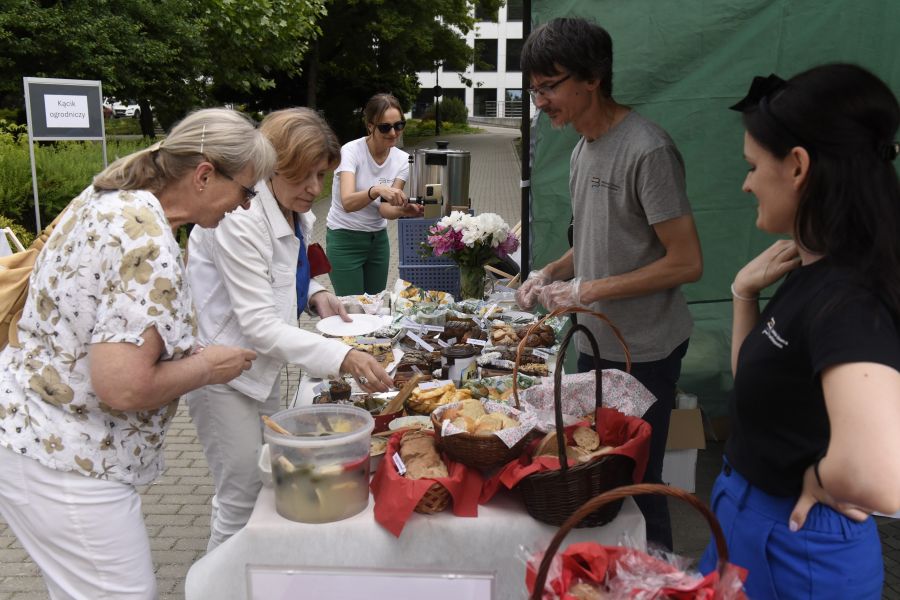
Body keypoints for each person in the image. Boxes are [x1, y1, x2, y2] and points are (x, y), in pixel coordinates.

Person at [0, 108, 273, 599]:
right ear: (205, 175)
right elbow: (123, 386)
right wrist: (209, 366)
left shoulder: (111, 198)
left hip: (33, 435)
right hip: (64, 455)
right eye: (247, 192)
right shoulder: (147, 240)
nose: (247, 207)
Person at [698, 64, 900, 598]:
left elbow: (882, 476)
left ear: (798, 167)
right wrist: (744, 296)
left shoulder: (849, 296)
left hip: (795, 547)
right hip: (745, 522)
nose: (745, 183)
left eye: (752, 165)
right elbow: (757, 388)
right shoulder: (818, 269)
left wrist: (828, 477)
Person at [516, 17, 703, 550]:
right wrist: (554, 271)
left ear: (592, 77)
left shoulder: (647, 150)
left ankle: (659, 568)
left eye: (549, 86)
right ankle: (605, 566)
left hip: (644, 347)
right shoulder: (580, 149)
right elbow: (604, 240)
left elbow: (687, 262)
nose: (541, 102)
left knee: (638, 476)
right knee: (594, 465)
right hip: (595, 338)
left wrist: (588, 291)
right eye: (534, 90)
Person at [185, 107, 395, 552]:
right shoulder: (239, 217)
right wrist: (344, 357)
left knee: (267, 484)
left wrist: (316, 291)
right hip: (223, 376)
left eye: (322, 176)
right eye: (305, 177)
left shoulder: (287, 206)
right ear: (271, 167)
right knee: (239, 499)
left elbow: (283, 267)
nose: (316, 189)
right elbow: (259, 324)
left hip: (259, 369)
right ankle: (218, 580)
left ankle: (258, 572)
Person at [326, 93, 423, 296]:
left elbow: (385, 209)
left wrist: (403, 209)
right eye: (385, 127)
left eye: (399, 125)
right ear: (370, 126)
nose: (394, 133)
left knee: (375, 309)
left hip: (377, 242)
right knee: (353, 311)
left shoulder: (403, 160)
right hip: (344, 240)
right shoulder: (351, 152)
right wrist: (376, 190)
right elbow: (347, 202)